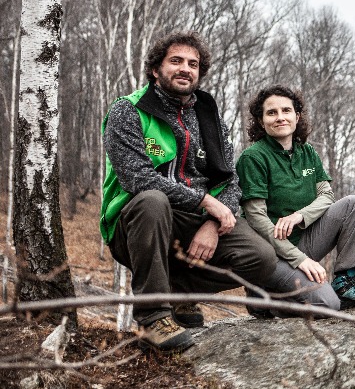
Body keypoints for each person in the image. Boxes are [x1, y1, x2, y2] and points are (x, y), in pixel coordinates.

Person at [101, 31, 278, 352]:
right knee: (152, 201)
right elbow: (137, 179)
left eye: (193, 64)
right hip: (136, 223)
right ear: (156, 69)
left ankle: (178, 291)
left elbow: (230, 179)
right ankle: (154, 316)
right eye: (176, 61)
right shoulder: (128, 110)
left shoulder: (209, 115)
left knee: (262, 257)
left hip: (197, 222)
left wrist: (212, 224)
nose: (185, 69)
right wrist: (203, 200)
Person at [237, 85, 355, 313]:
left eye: (286, 111)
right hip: (271, 255)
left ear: (297, 116)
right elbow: (257, 219)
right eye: (271, 112)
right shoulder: (253, 158)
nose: (280, 118)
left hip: (304, 242)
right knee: (327, 303)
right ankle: (264, 298)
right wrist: (299, 260)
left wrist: (300, 216)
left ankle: (346, 282)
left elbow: (326, 195)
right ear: (260, 120)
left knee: (353, 204)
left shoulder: (307, 152)